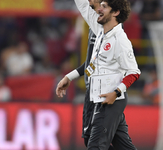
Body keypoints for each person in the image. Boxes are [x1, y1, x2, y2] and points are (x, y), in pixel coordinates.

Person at [56, 0, 141, 149]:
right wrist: (69, 77)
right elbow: (92, 65)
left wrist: (115, 93)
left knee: (95, 146)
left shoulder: (120, 40)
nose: (98, 9)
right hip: (99, 98)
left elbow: (134, 72)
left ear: (115, 12)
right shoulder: (101, 33)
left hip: (111, 100)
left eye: (104, 7)